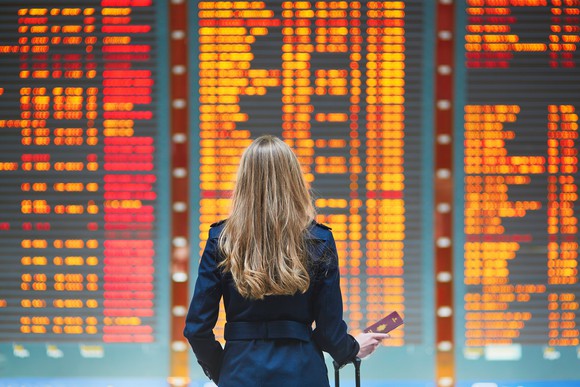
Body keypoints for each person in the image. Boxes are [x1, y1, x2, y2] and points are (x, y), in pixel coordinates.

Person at [184, 135, 389, 386]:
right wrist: (352, 348)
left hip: (240, 371)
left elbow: (197, 329)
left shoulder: (221, 239)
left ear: (244, 181)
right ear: (293, 179)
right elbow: (328, 331)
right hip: (303, 373)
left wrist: (223, 371)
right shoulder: (319, 239)